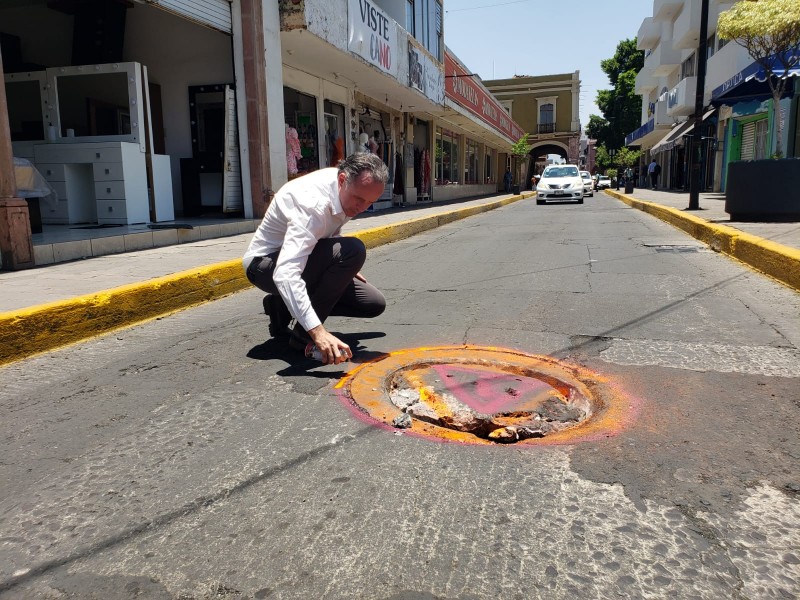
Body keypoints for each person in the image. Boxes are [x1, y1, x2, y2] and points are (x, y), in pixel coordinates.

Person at [243, 153, 389, 365]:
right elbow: (285, 273)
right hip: (264, 266)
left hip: (300, 259)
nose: (361, 208)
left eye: (370, 202)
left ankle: (282, 307)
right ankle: (303, 335)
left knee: (373, 303)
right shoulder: (312, 205)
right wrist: (318, 332)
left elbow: (329, 229)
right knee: (353, 250)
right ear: (342, 181)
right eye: (359, 199)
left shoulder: (345, 188)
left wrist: (338, 262)